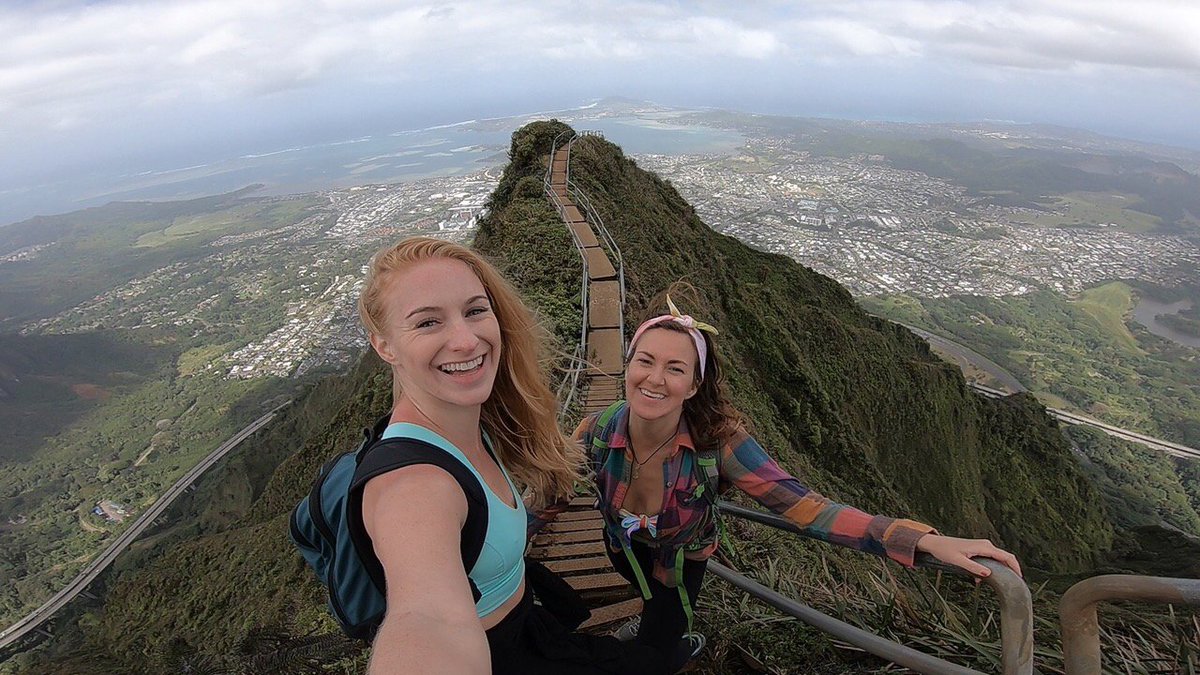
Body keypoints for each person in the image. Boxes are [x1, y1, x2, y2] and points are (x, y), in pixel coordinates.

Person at [576, 291, 1023, 653]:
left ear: (694, 386)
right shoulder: (597, 431)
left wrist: (920, 538)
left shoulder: (719, 443)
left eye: (675, 368)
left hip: (680, 560)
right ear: (629, 364)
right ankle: (656, 621)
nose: (655, 378)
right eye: (645, 361)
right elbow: (547, 487)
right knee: (651, 601)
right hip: (622, 547)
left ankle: (675, 642)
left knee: (660, 646)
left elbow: (808, 509)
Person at [355, 236, 690, 675]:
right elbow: (427, 620)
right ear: (384, 345)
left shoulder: (474, 423)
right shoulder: (414, 487)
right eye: (427, 323)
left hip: (529, 621)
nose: (464, 339)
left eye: (475, 311)